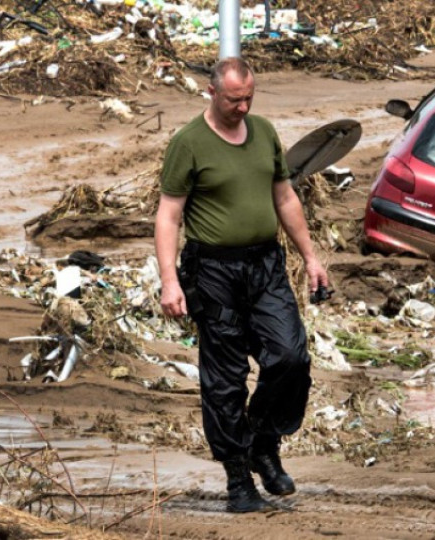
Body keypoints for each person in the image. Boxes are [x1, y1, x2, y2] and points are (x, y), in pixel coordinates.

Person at [154, 57, 330, 513]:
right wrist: (169, 281)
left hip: (265, 265)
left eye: (250, 97)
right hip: (213, 272)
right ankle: (238, 480)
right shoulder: (188, 143)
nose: (243, 106)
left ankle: (263, 444)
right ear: (212, 93)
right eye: (235, 99)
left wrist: (310, 257)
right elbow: (169, 215)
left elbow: (285, 195)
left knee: (291, 357)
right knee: (226, 381)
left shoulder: (265, 132)